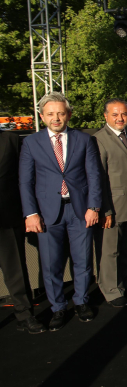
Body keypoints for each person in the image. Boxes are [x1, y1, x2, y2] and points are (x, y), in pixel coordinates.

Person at [19, 92, 102, 330]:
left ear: (69, 114)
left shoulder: (84, 139)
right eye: (50, 114)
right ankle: (58, 307)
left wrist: (93, 207)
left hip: (80, 210)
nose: (56, 118)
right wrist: (31, 213)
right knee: (50, 263)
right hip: (46, 213)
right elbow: (25, 181)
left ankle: (81, 302)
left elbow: (94, 175)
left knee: (83, 260)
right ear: (42, 116)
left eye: (60, 113)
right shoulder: (31, 142)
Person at [93, 99, 127, 307]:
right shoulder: (99, 140)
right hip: (113, 206)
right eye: (115, 114)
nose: (120, 118)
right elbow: (97, 178)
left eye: (124, 114)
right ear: (105, 116)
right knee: (110, 250)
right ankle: (111, 290)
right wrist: (104, 209)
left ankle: (126, 282)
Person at [0, 129, 46, 333]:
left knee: (16, 271)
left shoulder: (10, 140)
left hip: (7, 217)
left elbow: (25, 176)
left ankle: (25, 315)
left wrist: (29, 211)